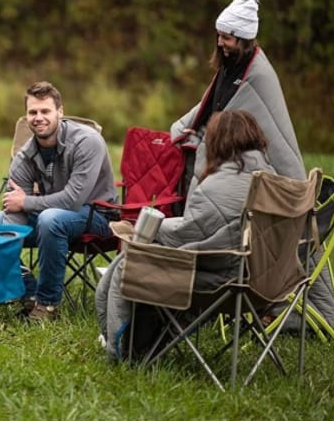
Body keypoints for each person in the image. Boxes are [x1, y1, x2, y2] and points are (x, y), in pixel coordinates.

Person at [95, 110, 275, 361]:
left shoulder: (217, 186)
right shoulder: (271, 179)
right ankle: (144, 344)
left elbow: (186, 233)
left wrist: (149, 228)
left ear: (217, 141)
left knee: (129, 265)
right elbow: (206, 225)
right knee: (136, 256)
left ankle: (121, 351)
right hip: (265, 278)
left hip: (223, 279)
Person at [0, 81, 118, 321]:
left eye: (45, 111)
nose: (39, 117)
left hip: (96, 215)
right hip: (50, 214)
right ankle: (28, 293)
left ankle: (47, 305)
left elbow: (72, 200)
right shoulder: (25, 156)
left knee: (50, 219)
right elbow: (14, 212)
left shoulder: (87, 141)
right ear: (27, 116)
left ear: (60, 111)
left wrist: (26, 202)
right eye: (33, 112)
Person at [172, 0, 305, 191]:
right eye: (218, 35)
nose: (220, 42)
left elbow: (268, 131)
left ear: (243, 40)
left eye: (226, 38)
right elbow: (214, 105)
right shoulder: (230, 64)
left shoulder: (258, 74)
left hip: (238, 158)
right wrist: (194, 126)